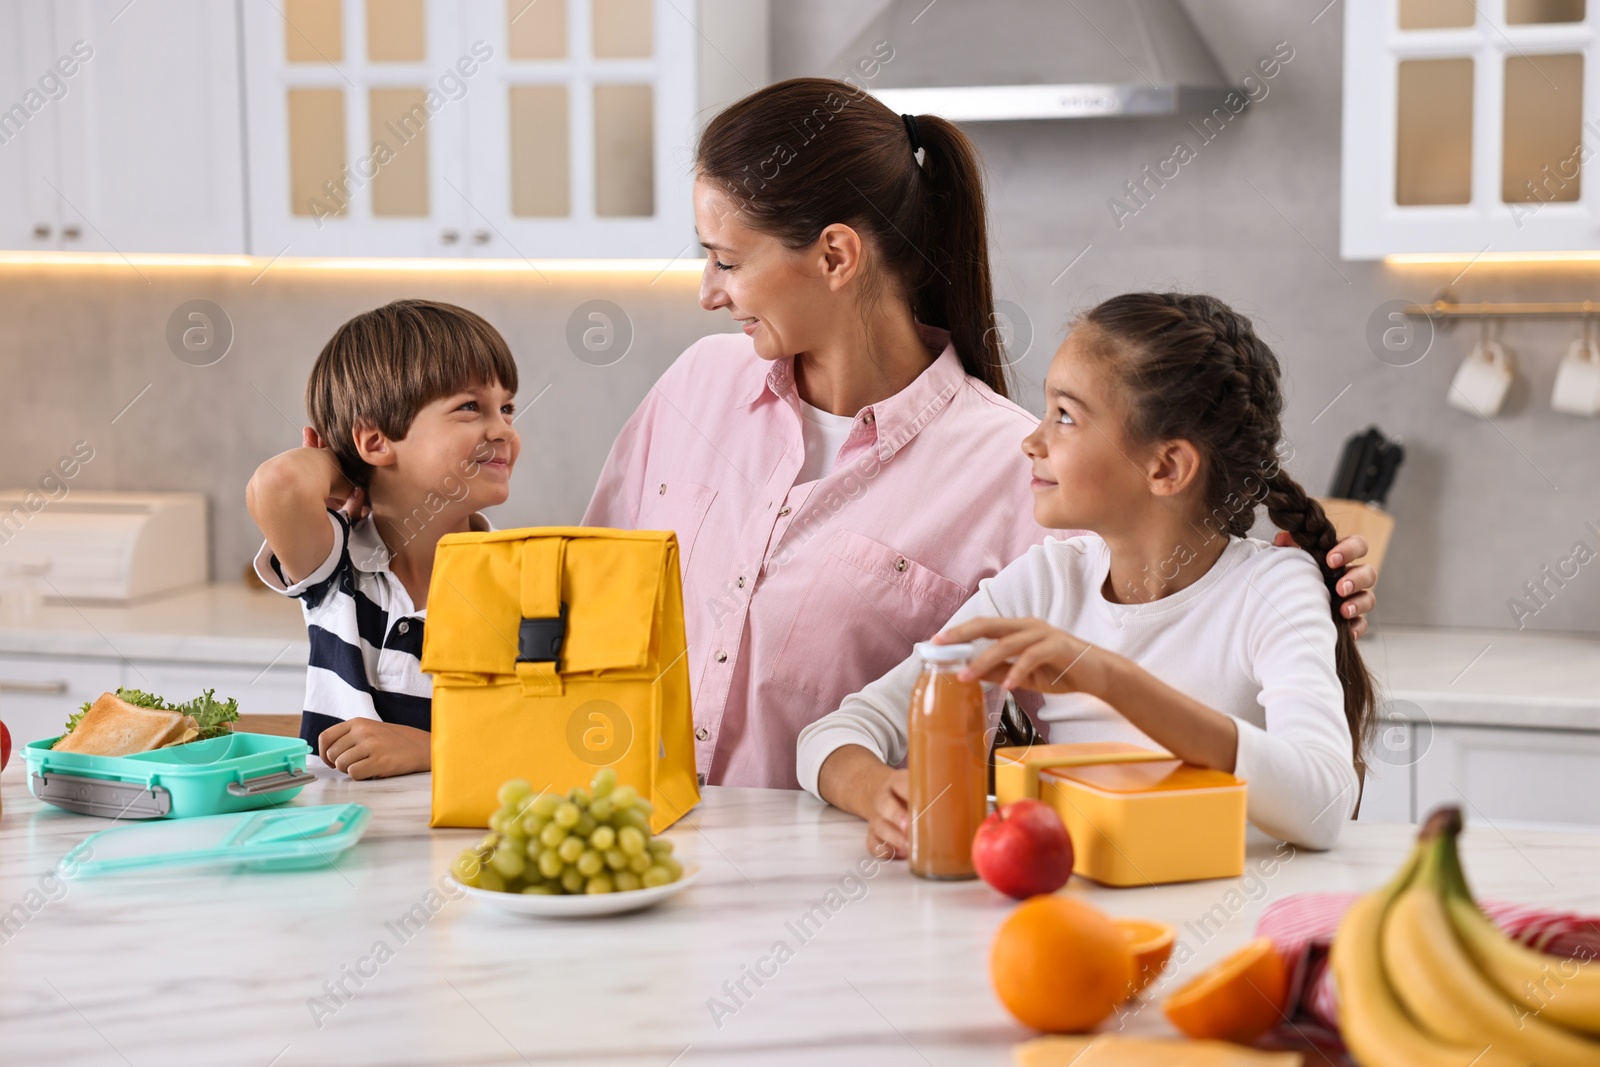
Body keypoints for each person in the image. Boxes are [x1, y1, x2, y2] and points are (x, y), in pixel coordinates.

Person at [582, 77, 1378, 791]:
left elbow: (1143, 651)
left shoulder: (1011, 467)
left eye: (726, 260)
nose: (706, 292)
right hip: (620, 852)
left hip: (838, 893)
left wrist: (1294, 596)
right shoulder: (693, 386)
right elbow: (580, 599)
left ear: (834, 255)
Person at [799, 293, 1373, 852]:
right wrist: (881, 793)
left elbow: (1323, 808)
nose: (1031, 440)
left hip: (1233, 918)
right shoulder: (1046, 584)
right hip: (1074, 916)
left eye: (1066, 416)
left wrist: (1106, 678)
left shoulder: (1271, 589)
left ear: (1167, 466)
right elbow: (834, 735)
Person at [245, 299, 520, 778]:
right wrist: (344, 465)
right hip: (333, 836)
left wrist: (432, 749)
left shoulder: (517, 580)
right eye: (471, 407)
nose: (503, 430)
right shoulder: (335, 569)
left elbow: (542, 738)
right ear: (375, 442)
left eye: (508, 408)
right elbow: (279, 483)